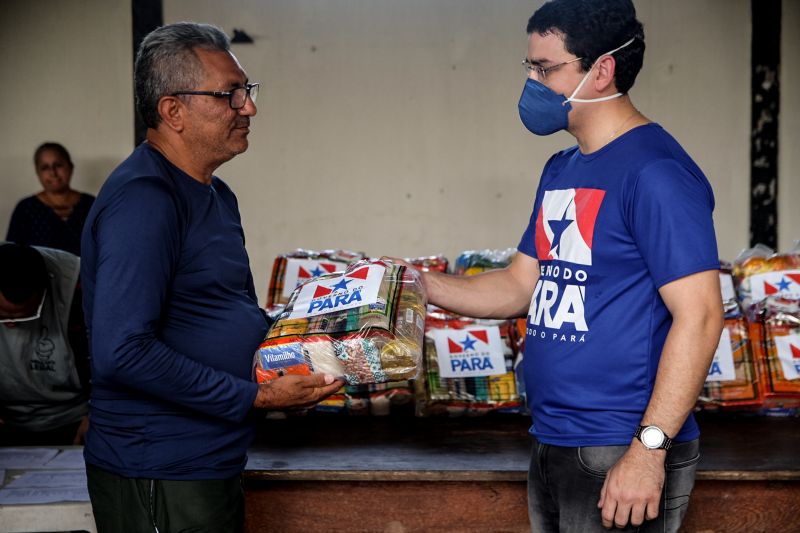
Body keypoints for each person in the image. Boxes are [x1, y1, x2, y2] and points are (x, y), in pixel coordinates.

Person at [413, 1, 724, 531]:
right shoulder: (563, 168)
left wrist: (648, 451)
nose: (532, 83)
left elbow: (700, 317)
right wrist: (416, 284)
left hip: (618, 447)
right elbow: (517, 286)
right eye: (529, 68)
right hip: (554, 437)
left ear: (601, 70)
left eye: (546, 68)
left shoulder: (655, 172)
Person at [80, 22, 342, 533]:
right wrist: (257, 398)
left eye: (247, 91)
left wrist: (316, 342)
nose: (249, 107)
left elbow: (227, 312)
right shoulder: (146, 200)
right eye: (231, 94)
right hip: (160, 467)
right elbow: (123, 351)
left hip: (209, 460)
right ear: (173, 111)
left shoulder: (216, 196)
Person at [0, 242, 89, 445]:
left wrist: (102, 413)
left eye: (24, 317)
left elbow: (118, 361)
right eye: (2, 316)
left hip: (76, 417)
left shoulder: (81, 288)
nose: (11, 325)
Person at [6, 142, 95, 256]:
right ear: (38, 173)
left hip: (86, 273)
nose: (53, 173)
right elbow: (11, 254)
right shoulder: (26, 208)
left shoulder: (90, 204)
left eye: (58, 165)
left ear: (70, 167)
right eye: (45, 168)